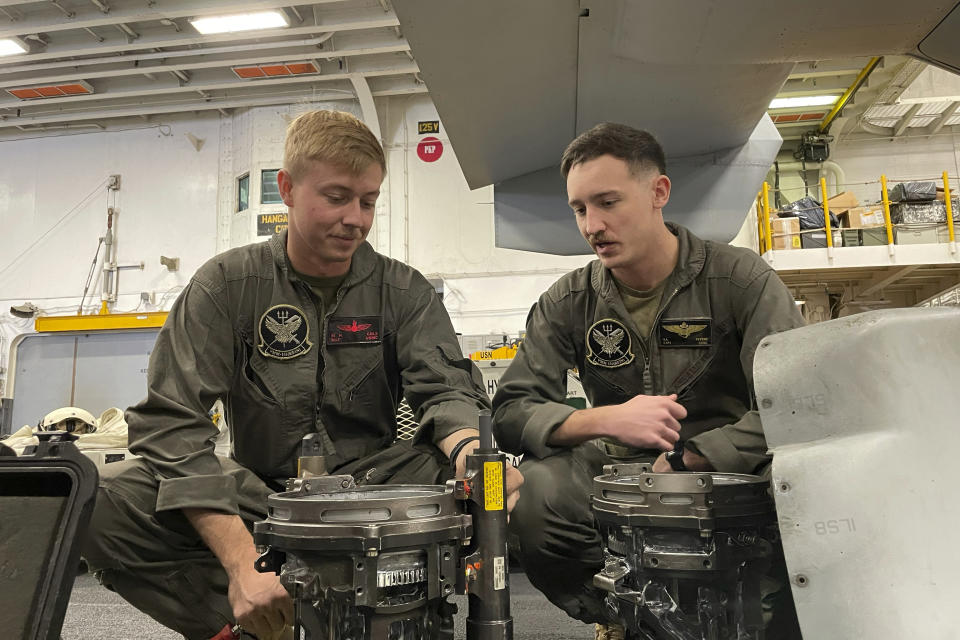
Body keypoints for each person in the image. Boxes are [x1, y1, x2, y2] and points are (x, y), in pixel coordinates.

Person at [82, 109, 522, 640]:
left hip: (376, 487)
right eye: (337, 197)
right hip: (262, 493)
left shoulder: (403, 292)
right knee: (96, 497)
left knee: (508, 488)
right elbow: (171, 425)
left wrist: (470, 453)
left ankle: (402, 615)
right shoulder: (225, 286)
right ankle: (247, 619)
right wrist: (243, 562)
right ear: (287, 189)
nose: (356, 218)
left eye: (368, 200)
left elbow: (446, 390)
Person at [491, 123, 804, 636]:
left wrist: (695, 454)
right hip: (620, 471)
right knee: (536, 492)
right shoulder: (568, 301)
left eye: (608, 202)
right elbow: (511, 410)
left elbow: (794, 403)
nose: (592, 225)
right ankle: (623, 617)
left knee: (806, 485)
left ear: (659, 193)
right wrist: (602, 420)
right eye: (579, 209)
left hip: (731, 468)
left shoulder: (741, 280)